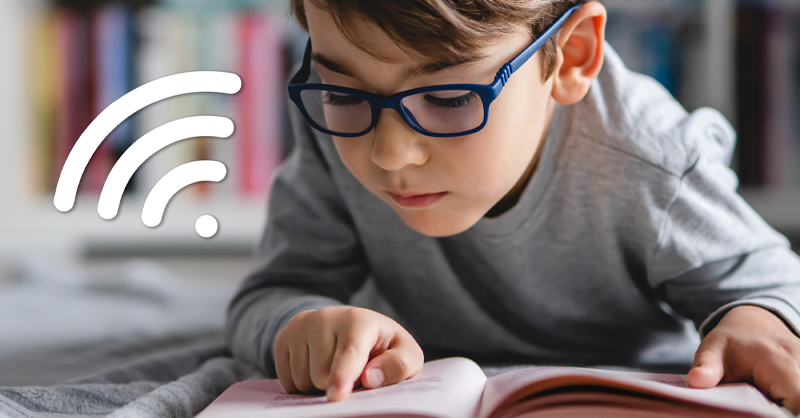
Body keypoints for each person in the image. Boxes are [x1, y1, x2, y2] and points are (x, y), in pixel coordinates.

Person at [225, 0, 800, 412]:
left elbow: (778, 288)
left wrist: (756, 317)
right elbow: (268, 294)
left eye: (448, 97)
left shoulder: (652, 161)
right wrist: (298, 326)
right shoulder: (335, 135)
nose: (390, 153)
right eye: (341, 92)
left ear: (572, 57)